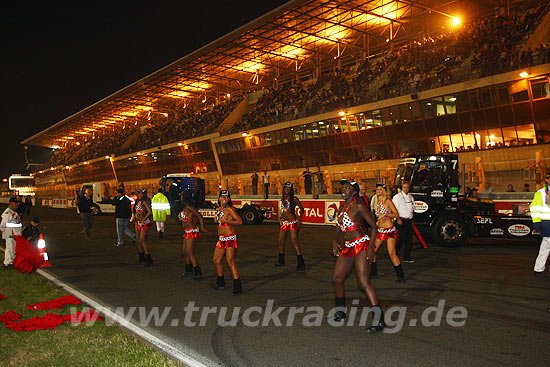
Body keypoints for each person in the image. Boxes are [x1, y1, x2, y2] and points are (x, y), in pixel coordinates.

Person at [331, 180, 385, 334]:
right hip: (348, 246)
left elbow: (374, 227)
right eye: (342, 188)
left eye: (347, 188)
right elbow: (337, 229)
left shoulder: (359, 207)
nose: (343, 190)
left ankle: (379, 320)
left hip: (361, 244)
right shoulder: (342, 208)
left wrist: (371, 249)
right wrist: (335, 241)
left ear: (353, 192)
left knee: (363, 281)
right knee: (337, 279)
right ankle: (340, 311)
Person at [372, 183, 406, 282]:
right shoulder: (376, 202)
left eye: (380, 189)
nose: (378, 191)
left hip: (389, 230)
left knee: (391, 253)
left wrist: (386, 214)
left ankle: (401, 276)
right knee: (372, 251)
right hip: (380, 230)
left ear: (384, 191)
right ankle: (373, 272)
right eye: (377, 189)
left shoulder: (388, 201)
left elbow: (396, 214)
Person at [212, 190, 243, 295]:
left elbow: (239, 221)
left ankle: (237, 287)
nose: (224, 198)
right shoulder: (218, 209)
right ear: (219, 198)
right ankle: (220, 283)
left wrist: (226, 221)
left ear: (229, 199)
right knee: (216, 260)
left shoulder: (229, 209)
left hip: (229, 237)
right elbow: (218, 222)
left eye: (226, 196)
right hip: (221, 238)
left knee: (230, 262)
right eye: (222, 196)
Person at [276, 182, 306, 270]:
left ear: (291, 190)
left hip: (293, 222)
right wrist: (280, 218)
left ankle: (301, 263)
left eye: (289, 189)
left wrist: (299, 219)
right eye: (286, 188)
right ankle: (281, 261)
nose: (287, 190)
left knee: (294, 241)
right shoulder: (282, 199)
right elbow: (283, 211)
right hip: (284, 222)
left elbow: (302, 209)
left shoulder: (294, 199)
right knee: (281, 241)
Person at [179, 191, 207, 280]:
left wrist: (202, 228)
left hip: (191, 231)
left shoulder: (189, 207)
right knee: (185, 251)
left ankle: (198, 273)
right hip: (187, 231)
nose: (180, 198)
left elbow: (200, 216)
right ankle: (189, 271)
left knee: (189, 252)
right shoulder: (185, 208)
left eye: (182, 196)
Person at [530, 174, 550, 275]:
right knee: (546, 244)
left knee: (545, 246)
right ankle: (538, 268)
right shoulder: (541, 193)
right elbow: (534, 208)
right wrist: (537, 222)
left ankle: (538, 268)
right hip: (547, 223)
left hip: (546, 223)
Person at [392, 181, 415, 263]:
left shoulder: (411, 197)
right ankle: (394, 252)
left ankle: (407, 256)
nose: (406, 189)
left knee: (409, 239)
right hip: (400, 220)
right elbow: (394, 210)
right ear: (401, 188)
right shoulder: (397, 197)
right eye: (404, 187)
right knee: (402, 238)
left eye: (407, 187)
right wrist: (397, 219)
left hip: (408, 220)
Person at [132, 189, 154, 267]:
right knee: (138, 240)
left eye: (141, 194)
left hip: (144, 223)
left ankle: (149, 259)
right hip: (137, 222)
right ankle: (141, 258)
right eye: (139, 194)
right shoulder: (137, 202)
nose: (140, 196)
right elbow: (135, 212)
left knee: (142, 240)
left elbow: (149, 212)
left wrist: (143, 219)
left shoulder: (144, 202)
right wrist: (134, 219)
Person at [0, 197, 22, 268]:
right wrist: (2, 230)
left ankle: (11, 261)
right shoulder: (8, 212)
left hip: (14, 233)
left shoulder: (14, 212)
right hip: (9, 233)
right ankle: (7, 263)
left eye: (17, 203)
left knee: (13, 248)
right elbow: (3, 223)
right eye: (16, 203)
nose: (17, 204)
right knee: (10, 248)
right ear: (11, 203)